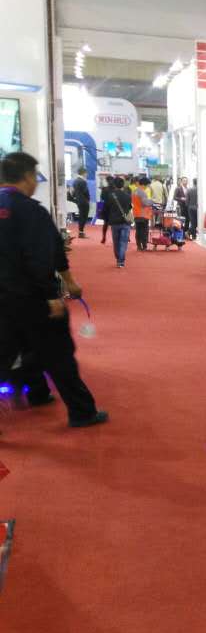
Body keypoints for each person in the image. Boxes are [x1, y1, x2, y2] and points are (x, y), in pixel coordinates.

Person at [0, 152, 108, 428]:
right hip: (32, 297)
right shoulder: (31, 211)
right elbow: (44, 255)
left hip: (4, 299)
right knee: (58, 353)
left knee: (8, 351)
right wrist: (54, 293)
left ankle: (36, 391)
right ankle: (82, 412)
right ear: (27, 177)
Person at [102, 177, 133, 268]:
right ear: (123, 185)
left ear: (114, 185)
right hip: (125, 222)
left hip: (114, 222)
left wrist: (106, 220)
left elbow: (106, 209)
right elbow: (130, 208)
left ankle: (118, 258)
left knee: (116, 242)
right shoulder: (127, 196)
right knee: (123, 242)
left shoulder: (110, 196)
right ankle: (121, 261)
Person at [132, 176, 154, 251]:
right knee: (144, 231)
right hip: (143, 214)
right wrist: (152, 201)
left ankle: (139, 246)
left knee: (138, 231)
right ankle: (144, 246)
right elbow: (145, 203)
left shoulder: (134, 191)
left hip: (136, 213)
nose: (148, 187)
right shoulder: (142, 192)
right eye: (147, 185)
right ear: (144, 184)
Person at [70, 167, 91, 239]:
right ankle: (81, 232)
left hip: (78, 201)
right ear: (84, 173)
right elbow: (86, 192)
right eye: (86, 173)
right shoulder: (83, 181)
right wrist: (88, 199)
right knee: (84, 217)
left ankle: (81, 232)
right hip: (84, 201)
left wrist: (75, 198)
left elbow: (72, 193)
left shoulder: (75, 181)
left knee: (81, 216)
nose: (87, 174)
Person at [97, 175, 113, 244]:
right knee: (114, 224)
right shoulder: (115, 189)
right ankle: (114, 238)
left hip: (106, 207)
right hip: (114, 208)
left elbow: (102, 198)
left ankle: (104, 237)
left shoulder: (104, 189)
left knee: (105, 224)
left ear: (107, 181)